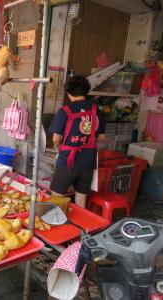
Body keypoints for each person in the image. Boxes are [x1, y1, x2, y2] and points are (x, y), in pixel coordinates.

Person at [48, 76, 105, 208]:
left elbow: (56, 139)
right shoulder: (97, 111)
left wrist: (59, 147)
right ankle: (81, 228)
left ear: (68, 93)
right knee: (80, 201)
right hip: (88, 162)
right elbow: (101, 138)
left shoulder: (65, 111)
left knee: (56, 199)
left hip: (68, 161)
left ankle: (58, 225)